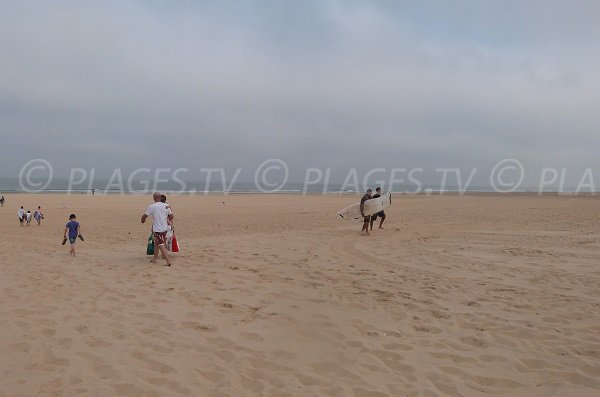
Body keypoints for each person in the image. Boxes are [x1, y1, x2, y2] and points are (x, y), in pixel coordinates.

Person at [141, 192, 172, 266]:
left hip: (158, 230)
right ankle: (155, 259)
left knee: (160, 244)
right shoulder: (166, 206)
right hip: (164, 229)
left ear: (154, 198)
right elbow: (171, 216)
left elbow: (144, 216)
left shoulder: (152, 206)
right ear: (160, 197)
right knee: (156, 244)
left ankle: (168, 261)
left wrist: (142, 220)